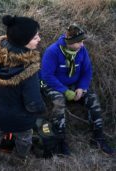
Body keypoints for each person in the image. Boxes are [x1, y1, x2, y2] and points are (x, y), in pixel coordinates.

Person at [40, 24, 115, 156]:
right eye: (79, 42)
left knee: (92, 99)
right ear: (70, 42)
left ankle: (98, 139)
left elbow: (87, 71)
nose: (82, 45)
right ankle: (60, 141)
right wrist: (65, 91)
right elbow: (46, 76)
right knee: (59, 102)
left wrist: (82, 87)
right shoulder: (53, 51)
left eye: (82, 41)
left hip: (74, 84)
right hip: (53, 84)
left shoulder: (82, 51)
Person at [0, 15, 46, 160]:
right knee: (24, 138)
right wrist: (42, 109)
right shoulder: (29, 69)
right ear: (24, 40)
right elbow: (33, 103)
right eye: (35, 37)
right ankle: (19, 160)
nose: (39, 39)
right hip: (20, 119)